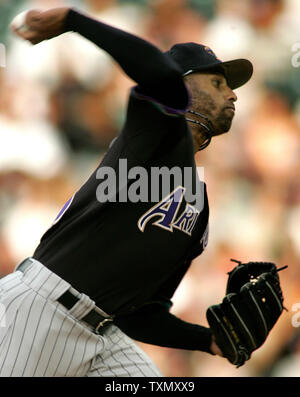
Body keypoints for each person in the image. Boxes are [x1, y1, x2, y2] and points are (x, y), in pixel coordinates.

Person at [0, 7, 253, 377]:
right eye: (217, 82)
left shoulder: (198, 207)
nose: (232, 94)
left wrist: (208, 340)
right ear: (182, 85)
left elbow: (141, 313)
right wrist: (73, 20)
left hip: (102, 333)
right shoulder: (152, 133)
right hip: (41, 312)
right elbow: (158, 74)